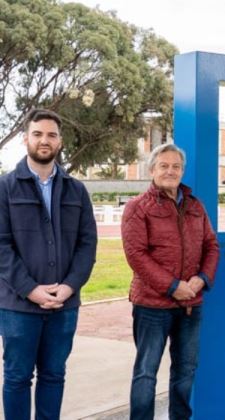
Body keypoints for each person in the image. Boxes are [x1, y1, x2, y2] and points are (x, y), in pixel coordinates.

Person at [0, 109, 98, 419]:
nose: (45, 140)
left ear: (60, 141)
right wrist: (30, 290)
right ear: (25, 138)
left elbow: (87, 244)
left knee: (54, 376)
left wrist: (69, 287)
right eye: (38, 134)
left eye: (51, 135)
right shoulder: (5, 187)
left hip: (64, 307)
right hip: (18, 306)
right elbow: (1, 246)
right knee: (17, 378)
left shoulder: (76, 190)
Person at [121, 143, 219, 419]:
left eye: (176, 166)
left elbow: (212, 246)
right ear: (152, 169)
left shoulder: (195, 206)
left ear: (182, 171)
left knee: (185, 370)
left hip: (190, 304)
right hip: (152, 306)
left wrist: (202, 280)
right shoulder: (137, 208)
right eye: (164, 165)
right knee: (145, 373)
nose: (170, 171)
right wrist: (173, 287)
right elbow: (136, 255)